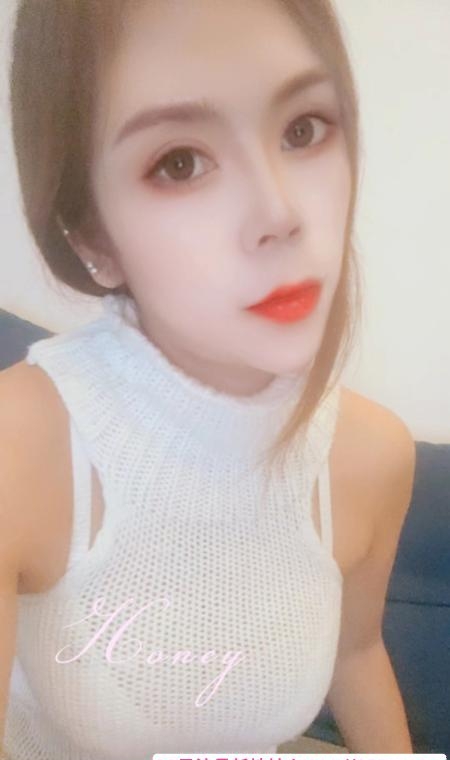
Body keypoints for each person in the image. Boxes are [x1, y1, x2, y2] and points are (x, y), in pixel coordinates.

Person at [0, 0, 416, 756]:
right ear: (93, 237)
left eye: (303, 129)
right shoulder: (20, 450)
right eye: (180, 163)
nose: (280, 213)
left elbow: (357, 655)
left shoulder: (373, 455)